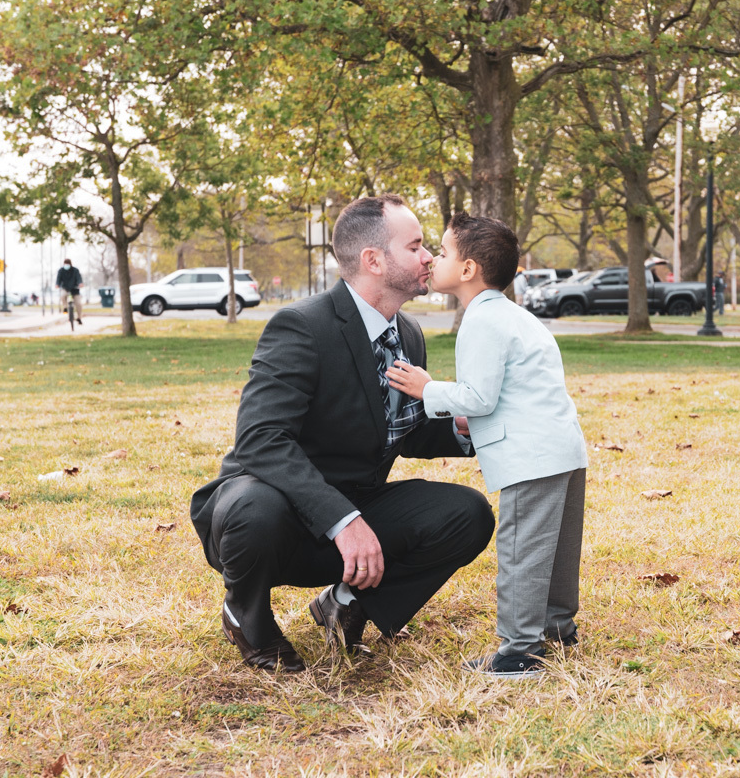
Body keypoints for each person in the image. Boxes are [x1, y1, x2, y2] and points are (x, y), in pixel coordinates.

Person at [189, 194, 494, 673]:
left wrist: (460, 428)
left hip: (359, 514)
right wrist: (343, 520)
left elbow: (399, 432)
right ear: (373, 260)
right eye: (415, 246)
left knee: (468, 514)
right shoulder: (301, 326)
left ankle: (347, 603)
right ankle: (245, 614)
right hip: (276, 517)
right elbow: (261, 438)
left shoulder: (408, 333)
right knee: (255, 507)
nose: (429, 256)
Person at [388, 212, 588, 679]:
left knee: (521, 551)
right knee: (556, 548)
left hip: (529, 457)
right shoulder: (517, 317)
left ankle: (519, 651)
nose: (433, 259)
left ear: (467, 270)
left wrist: (427, 388)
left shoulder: (480, 322)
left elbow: (479, 397)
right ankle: (557, 627)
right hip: (562, 448)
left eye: (442, 251)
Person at [55, 258, 83, 324]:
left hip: (75, 289)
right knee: (62, 296)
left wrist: (80, 283)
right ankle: (65, 307)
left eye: (67, 264)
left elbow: (78, 278)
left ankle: (79, 318)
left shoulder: (75, 270)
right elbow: (58, 278)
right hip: (65, 288)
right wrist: (57, 284)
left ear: (70, 264)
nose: (66, 265)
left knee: (79, 304)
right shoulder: (61, 270)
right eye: (65, 264)